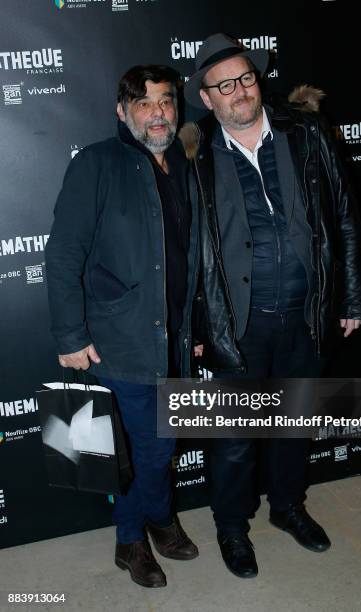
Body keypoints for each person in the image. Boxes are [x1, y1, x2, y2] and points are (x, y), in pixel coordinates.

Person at [182, 33, 361, 578]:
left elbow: (346, 218)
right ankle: (232, 527)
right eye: (225, 85)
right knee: (235, 439)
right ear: (207, 98)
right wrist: (195, 325)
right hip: (237, 325)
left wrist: (353, 296)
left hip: (305, 316)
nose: (240, 91)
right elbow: (184, 253)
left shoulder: (305, 135)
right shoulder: (194, 157)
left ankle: (288, 507)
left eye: (246, 78)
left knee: (294, 423)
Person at [45, 65, 200, 588]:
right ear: (122, 110)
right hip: (121, 340)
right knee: (142, 451)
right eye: (144, 102)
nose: (158, 112)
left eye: (166, 102)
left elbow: (188, 255)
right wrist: (71, 335)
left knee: (162, 444)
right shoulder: (98, 163)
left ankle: (156, 518)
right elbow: (65, 253)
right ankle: (133, 535)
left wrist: (195, 325)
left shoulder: (181, 162)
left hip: (173, 337)